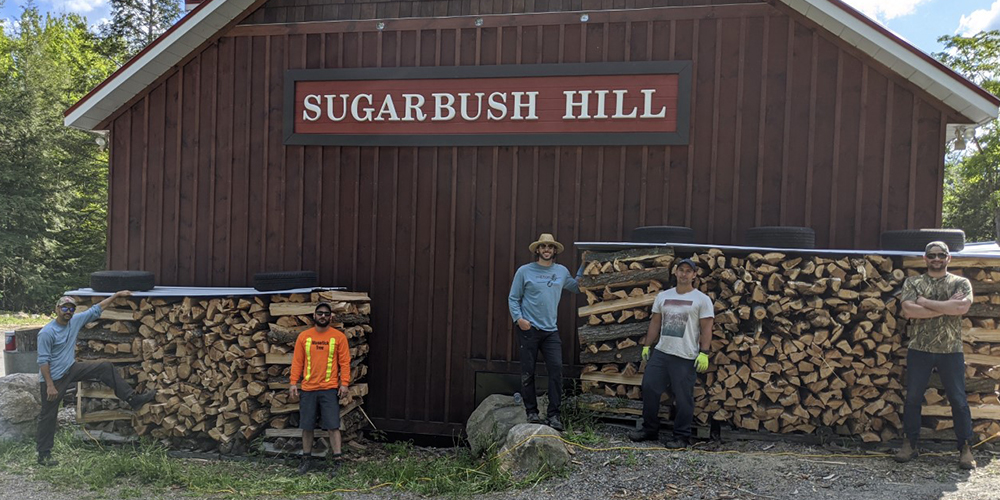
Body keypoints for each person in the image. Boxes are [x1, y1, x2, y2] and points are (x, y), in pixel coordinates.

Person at [36, 291, 157, 466]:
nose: (68, 311)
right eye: (64, 308)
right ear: (57, 309)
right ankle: (43, 454)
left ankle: (133, 399)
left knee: (104, 367)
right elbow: (43, 361)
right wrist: (49, 385)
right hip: (52, 378)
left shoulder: (75, 321)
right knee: (48, 415)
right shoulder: (47, 332)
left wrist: (116, 296)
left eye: (71, 308)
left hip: (71, 368)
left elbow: (96, 309)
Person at [895, 241, 976, 469]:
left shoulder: (960, 283)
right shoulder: (913, 282)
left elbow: (961, 309)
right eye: (932, 255)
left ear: (949, 258)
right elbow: (909, 311)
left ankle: (965, 448)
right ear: (925, 258)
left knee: (959, 400)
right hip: (919, 349)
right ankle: (909, 444)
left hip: (951, 350)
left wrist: (925, 303)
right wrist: (946, 306)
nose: (937, 258)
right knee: (912, 398)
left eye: (941, 255)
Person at [628, 258, 714, 448]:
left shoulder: (702, 300)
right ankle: (650, 429)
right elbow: (655, 322)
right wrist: (646, 345)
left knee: (683, 397)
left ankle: (681, 436)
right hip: (662, 352)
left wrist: (704, 353)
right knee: (649, 387)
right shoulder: (663, 296)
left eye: (688, 271)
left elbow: (707, 328)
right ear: (675, 272)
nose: (684, 274)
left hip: (685, 355)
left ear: (694, 274)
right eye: (681, 270)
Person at [507, 233, 580, 431]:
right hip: (529, 329)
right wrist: (519, 319)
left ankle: (554, 416)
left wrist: (586, 265)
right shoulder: (524, 271)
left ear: (554, 250)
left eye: (550, 246)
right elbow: (513, 298)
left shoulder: (561, 271)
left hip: (550, 331)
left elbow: (577, 287)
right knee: (528, 372)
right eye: (543, 246)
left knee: (556, 371)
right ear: (537, 250)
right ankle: (531, 412)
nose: (547, 249)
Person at [289, 302, 351, 475]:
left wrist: (344, 383)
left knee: (333, 426)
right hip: (308, 388)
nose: (323, 316)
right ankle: (306, 459)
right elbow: (298, 362)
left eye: (326, 313)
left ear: (330, 317)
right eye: (319, 313)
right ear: (314, 316)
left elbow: (344, 362)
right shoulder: (304, 337)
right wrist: (294, 382)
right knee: (307, 426)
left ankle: (338, 460)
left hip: (329, 389)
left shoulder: (338, 337)